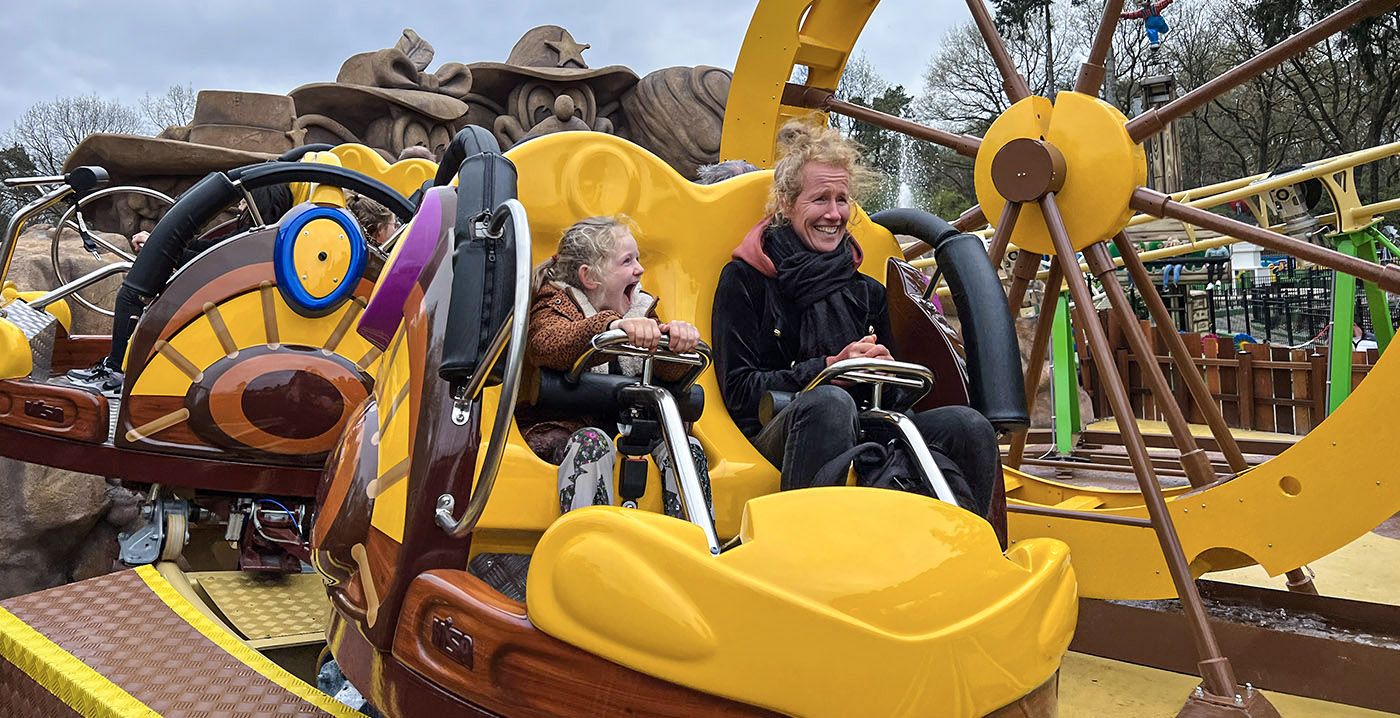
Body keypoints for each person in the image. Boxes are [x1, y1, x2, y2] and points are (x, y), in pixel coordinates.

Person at [710, 118, 999, 517]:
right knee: (829, 403)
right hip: (776, 427)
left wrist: (888, 373)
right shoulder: (745, 280)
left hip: (868, 423)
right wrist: (829, 369)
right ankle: (807, 549)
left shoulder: (867, 291)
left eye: (842, 199)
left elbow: (899, 399)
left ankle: (972, 549)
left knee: (969, 426)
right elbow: (740, 391)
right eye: (820, 199)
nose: (834, 214)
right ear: (786, 203)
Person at [519, 215, 712, 519]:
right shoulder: (553, 303)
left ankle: (691, 543)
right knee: (592, 443)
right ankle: (589, 547)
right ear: (589, 277)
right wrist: (611, 325)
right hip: (566, 432)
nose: (640, 268)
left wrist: (676, 344)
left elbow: (666, 372)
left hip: (633, 432)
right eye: (627, 261)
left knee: (685, 446)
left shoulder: (640, 309)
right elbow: (548, 343)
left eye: (638, 258)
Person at [67, 184, 294, 395]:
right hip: (220, 290)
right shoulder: (256, 232)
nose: (240, 206)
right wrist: (163, 241)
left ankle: (117, 372)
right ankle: (119, 364)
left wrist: (167, 251)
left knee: (133, 295)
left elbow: (213, 263)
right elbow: (209, 248)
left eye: (244, 202)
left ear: (258, 202)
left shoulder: (255, 237)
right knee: (136, 293)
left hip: (219, 295)